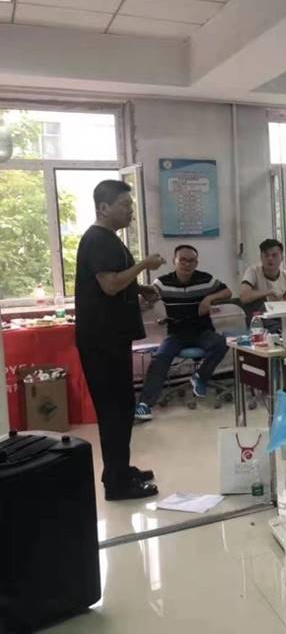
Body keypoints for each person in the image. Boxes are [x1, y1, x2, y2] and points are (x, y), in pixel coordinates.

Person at [75, 179, 165, 500]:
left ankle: (119, 470)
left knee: (123, 408)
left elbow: (113, 280)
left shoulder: (110, 239)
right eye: (125, 205)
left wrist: (139, 288)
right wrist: (144, 265)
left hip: (113, 337)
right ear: (103, 208)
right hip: (102, 340)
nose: (130, 211)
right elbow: (110, 285)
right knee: (113, 410)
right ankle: (117, 485)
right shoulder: (98, 239)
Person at [134, 245, 232, 422]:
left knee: (222, 343)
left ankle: (200, 377)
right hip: (177, 333)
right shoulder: (163, 282)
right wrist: (142, 304)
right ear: (175, 261)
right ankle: (144, 405)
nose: (187, 264)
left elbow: (228, 292)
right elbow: (148, 298)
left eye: (191, 261)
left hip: (202, 331)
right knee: (160, 357)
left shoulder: (206, 279)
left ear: (196, 263)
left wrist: (209, 298)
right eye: (183, 260)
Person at [240, 238, 286, 311]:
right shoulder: (252, 271)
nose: (270, 258)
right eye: (266, 255)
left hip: (279, 312)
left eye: (274, 255)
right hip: (258, 313)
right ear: (261, 258)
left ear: (282, 257)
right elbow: (244, 297)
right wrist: (269, 291)